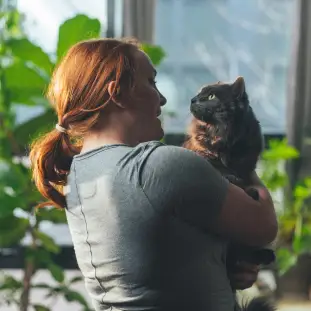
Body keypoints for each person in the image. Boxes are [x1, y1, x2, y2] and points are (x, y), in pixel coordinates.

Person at [30, 38, 277, 311]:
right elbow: (263, 226)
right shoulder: (161, 167)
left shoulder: (79, 172)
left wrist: (226, 264)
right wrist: (246, 157)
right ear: (118, 94)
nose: (162, 98)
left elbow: (165, 257)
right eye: (151, 82)